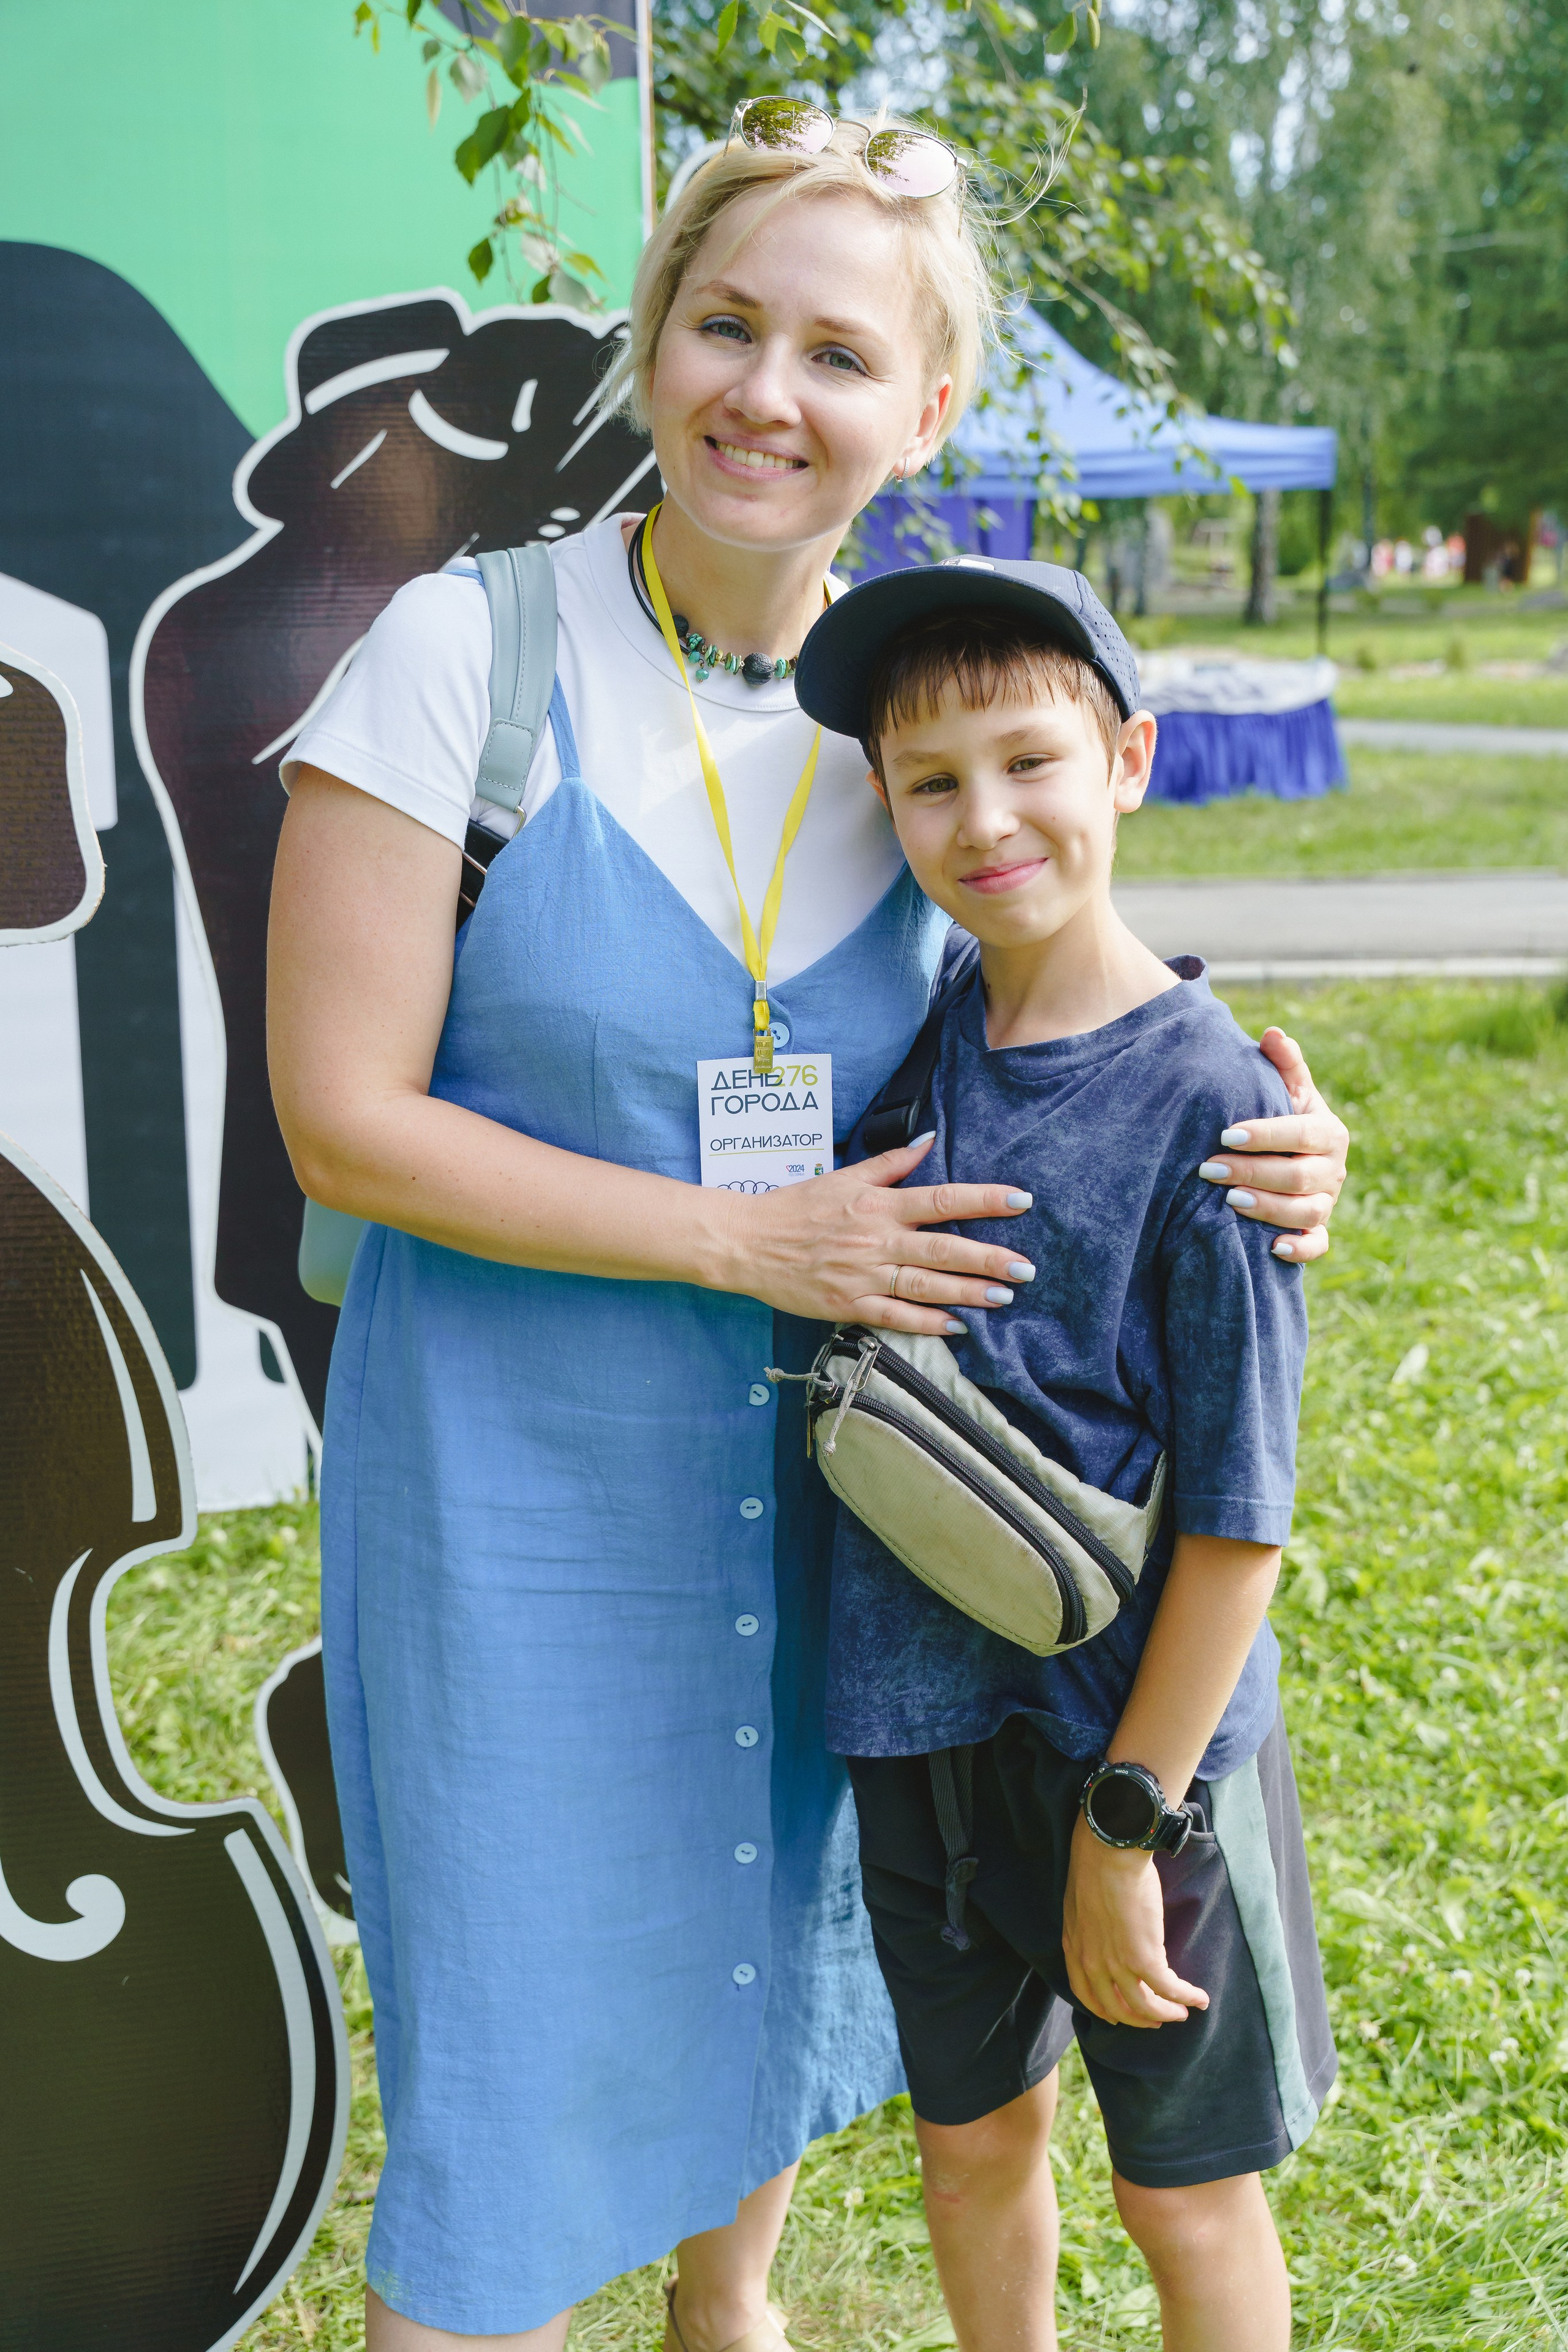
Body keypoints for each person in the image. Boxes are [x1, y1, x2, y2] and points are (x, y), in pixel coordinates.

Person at [266, 112, 1349, 2352]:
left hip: (838, 1516)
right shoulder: (461, 663)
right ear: (652, 343)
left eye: (841, 351)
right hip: (515, 1494)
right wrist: (744, 1246)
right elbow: (340, 1123)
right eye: (727, 326)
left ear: (924, 410)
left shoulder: (907, 718)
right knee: (508, 2107)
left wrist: (1256, 1135)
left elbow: (1053, 1020)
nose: (771, 391)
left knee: (748, 2037)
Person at [793, 560, 1335, 2352]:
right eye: (931, 782)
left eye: (1030, 762)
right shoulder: (933, 1025)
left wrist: (1127, 1826)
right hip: (919, 1723)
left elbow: (1243, 1533)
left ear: (1131, 758)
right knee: (973, 2147)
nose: (986, 818)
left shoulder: (1219, 1114)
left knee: (1179, 2189)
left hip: (1128, 1760)